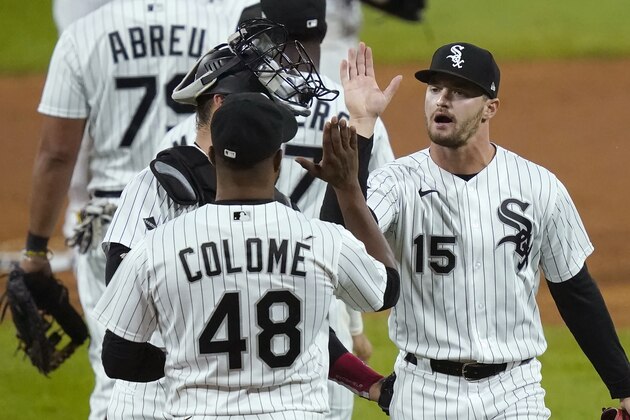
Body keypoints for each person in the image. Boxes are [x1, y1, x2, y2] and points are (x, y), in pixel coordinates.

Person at [316, 42, 630, 418]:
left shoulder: (539, 186)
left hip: (515, 391)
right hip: (423, 391)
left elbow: (574, 291)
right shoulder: (395, 183)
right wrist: (362, 126)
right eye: (435, 89)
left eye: (460, 92)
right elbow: (334, 246)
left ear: (490, 108)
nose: (442, 101)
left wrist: (624, 386)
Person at [102, 20, 389, 419]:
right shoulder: (154, 188)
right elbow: (123, 326)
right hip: (154, 405)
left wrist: (368, 383)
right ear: (222, 104)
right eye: (267, 96)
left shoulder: (274, 206)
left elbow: (298, 332)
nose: (277, 103)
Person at [21, 2, 259, 418]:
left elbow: (58, 154)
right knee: (209, 360)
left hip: (113, 223)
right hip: (204, 206)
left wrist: (36, 250)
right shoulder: (221, 21)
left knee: (116, 374)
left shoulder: (84, 34)